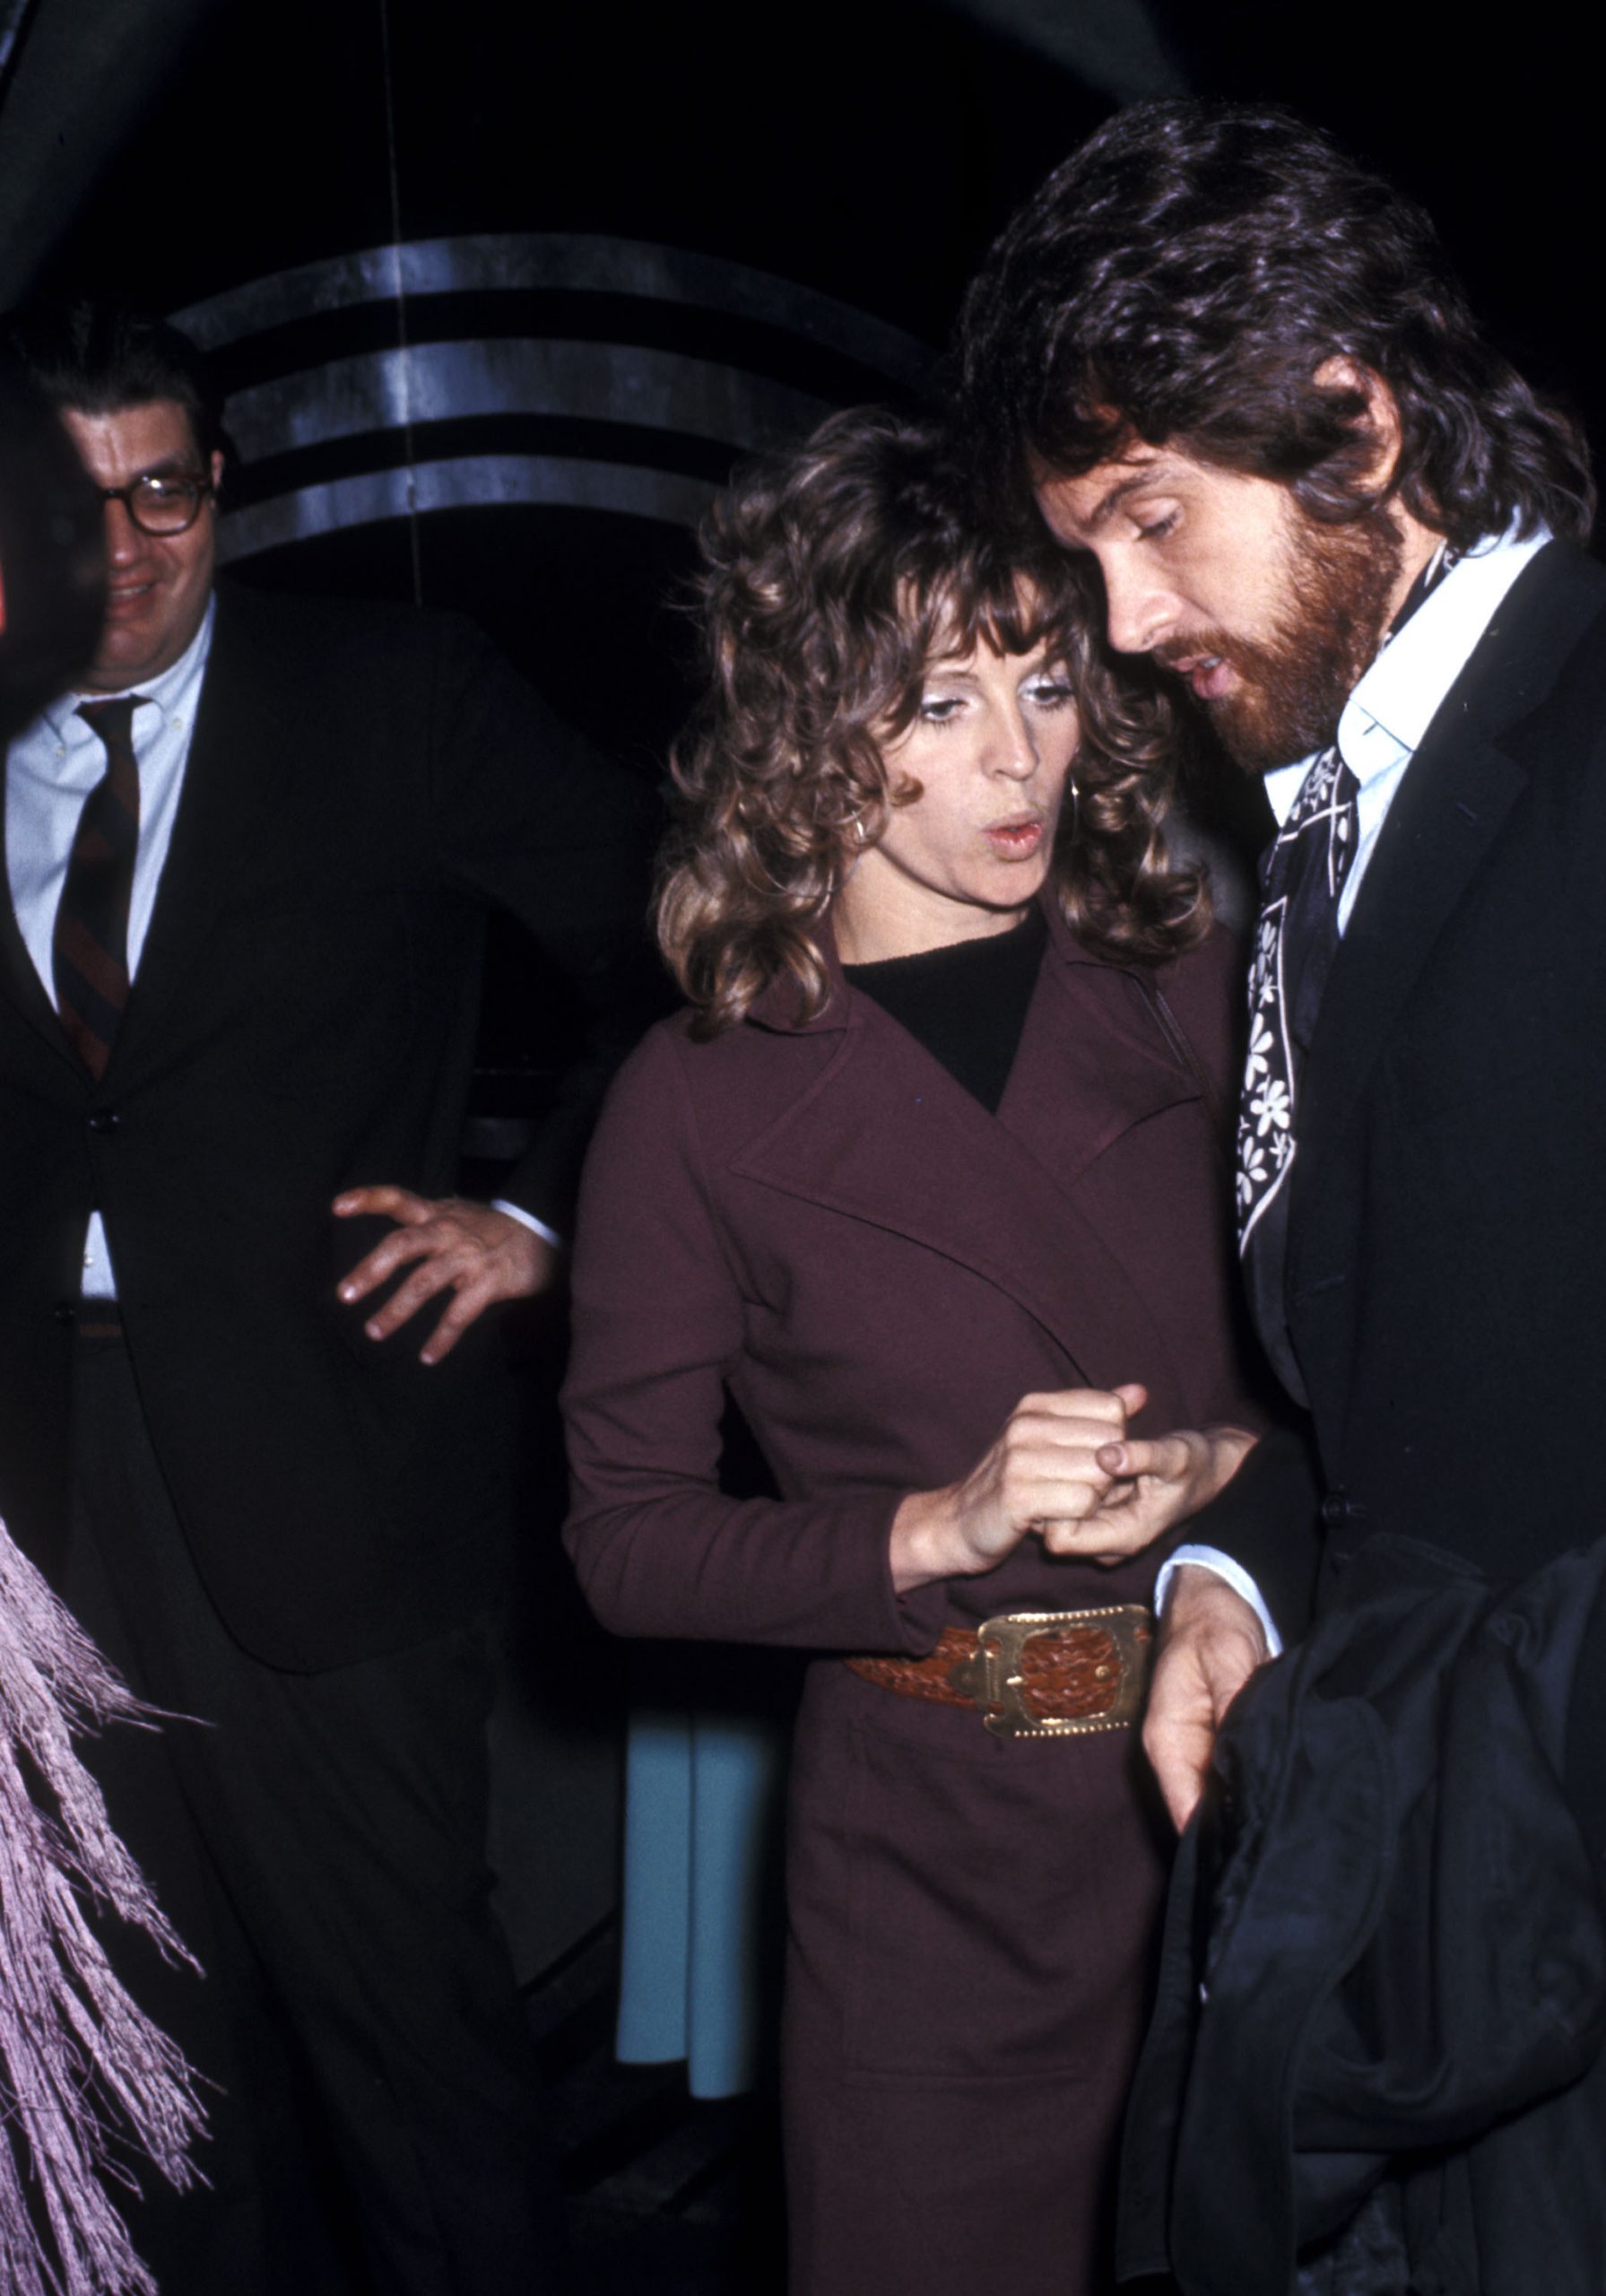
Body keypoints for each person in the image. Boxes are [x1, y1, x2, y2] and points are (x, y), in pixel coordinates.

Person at [959, 97, 1606, 2283]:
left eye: (1151, 520)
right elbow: (1373, 1404)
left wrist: (1491, 1805)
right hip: (1412, 1933)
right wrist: (1230, 1580)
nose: (1124, 623)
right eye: (1087, 551)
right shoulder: (1315, 839)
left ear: (1351, 419)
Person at [560, 405, 1263, 2296]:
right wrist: (924, 1532)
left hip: (1251, 1806)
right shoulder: (692, 1103)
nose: (1017, 760)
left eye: (1041, 684)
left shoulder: (1201, 980)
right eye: (938, 704)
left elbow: (1372, 1372)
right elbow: (624, 1540)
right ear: (800, 721)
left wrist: (1227, 1465)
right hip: (931, 1878)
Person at [0, 300, 655, 2295]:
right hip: (39, 1507)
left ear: (224, 490)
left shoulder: (394, 692)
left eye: (165, 491)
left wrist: (539, 1222)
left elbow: (687, 944)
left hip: (336, 1480)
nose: (122, 547)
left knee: (417, 2073)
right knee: (143, 2089)